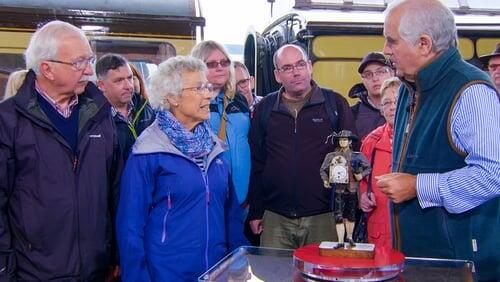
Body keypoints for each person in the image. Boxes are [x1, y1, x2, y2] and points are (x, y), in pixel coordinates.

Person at [378, 0, 500, 280]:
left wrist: (418, 186)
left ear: (424, 44)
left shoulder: (471, 91)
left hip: (458, 267)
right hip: (421, 263)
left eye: (391, 41)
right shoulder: (411, 86)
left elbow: (494, 175)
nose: (386, 50)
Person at [0, 20, 121, 280]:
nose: (89, 71)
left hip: (96, 271)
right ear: (47, 69)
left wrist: (115, 255)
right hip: (34, 273)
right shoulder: (7, 121)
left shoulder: (100, 115)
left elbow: (115, 189)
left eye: (90, 60)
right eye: (79, 63)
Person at [116, 55, 247, 281]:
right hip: (167, 273)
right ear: (173, 97)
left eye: (207, 87)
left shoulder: (215, 147)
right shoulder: (148, 151)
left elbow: (231, 214)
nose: (208, 94)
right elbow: (130, 226)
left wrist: (239, 263)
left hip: (216, 272)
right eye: (198, 88)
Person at [247, 44, 357, 249]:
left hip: (324, 217)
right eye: (287, 68)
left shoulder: (335, 104)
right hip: (275, 218)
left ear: (309, 66)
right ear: (277, 75)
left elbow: (351, 160)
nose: (296, 72)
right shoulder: (266, 108)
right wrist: (256, 210)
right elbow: (257, 162)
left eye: (300, 65)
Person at [191, 40, 251, 206]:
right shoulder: (191, 103)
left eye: (224, 62)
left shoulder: (238, 100)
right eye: (211, 64)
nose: (220, 68)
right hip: (207, 199)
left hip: (243, 200)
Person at [359, 77, 401, 249]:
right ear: (381, 109)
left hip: (413, 234)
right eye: (386, 103)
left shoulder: (422, 139)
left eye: (397, 101)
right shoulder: (371, 142)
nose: (392, 107)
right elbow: (361, 180)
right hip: (379, 235)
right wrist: (362, 197)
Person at [96, 54, 155, 161]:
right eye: (119, 81)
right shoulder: (94, 120)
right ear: (101, 85)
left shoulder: (146, 109)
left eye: (130, 78)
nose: (128, 86)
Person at [320, 130, 370, 248]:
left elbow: (368, 167)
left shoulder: (357, 156)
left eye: (345, 139)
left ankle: (350, 237)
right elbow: (323, 169)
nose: (342, 141)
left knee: (351, 215)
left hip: (352, 190)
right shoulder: (331, 156)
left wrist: (361, 175)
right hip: (339, 190)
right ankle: (340, 240)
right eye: (341, 139)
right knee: (338, 216)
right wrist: (326, 180)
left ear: (350, 141)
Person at [351, 52, 394, 140]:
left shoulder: (406, 108)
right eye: (368, 74)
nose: (375, 78)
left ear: (392, 73)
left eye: (380, 72)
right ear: (362, 80)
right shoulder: (352, 114)